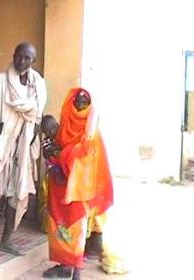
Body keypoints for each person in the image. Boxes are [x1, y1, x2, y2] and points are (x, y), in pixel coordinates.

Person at [0, 42, 47, 256]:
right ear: (14, 55)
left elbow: (38, 117)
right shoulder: (1, 81)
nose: (22, 61)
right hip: (0, 143)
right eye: (20, 56)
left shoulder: (38, 84)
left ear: (33, 61)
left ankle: (7, 239)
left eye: (27, 58)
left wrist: (34, 142)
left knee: (18, 191)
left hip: (23, 146)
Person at [43, 88, 113, 280]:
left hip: (79, 189)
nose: (80, 106)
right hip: (59, 187)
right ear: (71, 105)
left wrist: (62, 155)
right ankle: (64, 265)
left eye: (84, 103)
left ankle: (77, 269)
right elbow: (52, 151)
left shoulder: (92, 133)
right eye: (77, 103)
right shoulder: (63, 125)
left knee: (77, 229)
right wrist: (60, 155)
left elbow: (86, 157)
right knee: (59, 228)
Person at [38, 115, 60, 233]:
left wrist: (55, 151)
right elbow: (46, 153)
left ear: (57, 124)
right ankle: (48, 226)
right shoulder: (46, 140)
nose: (51, 132)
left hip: (63, 172)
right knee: (47, 197)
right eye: (48, 131)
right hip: (52, 172)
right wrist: (56, 151)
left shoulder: (64, 134)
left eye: (53, 128)